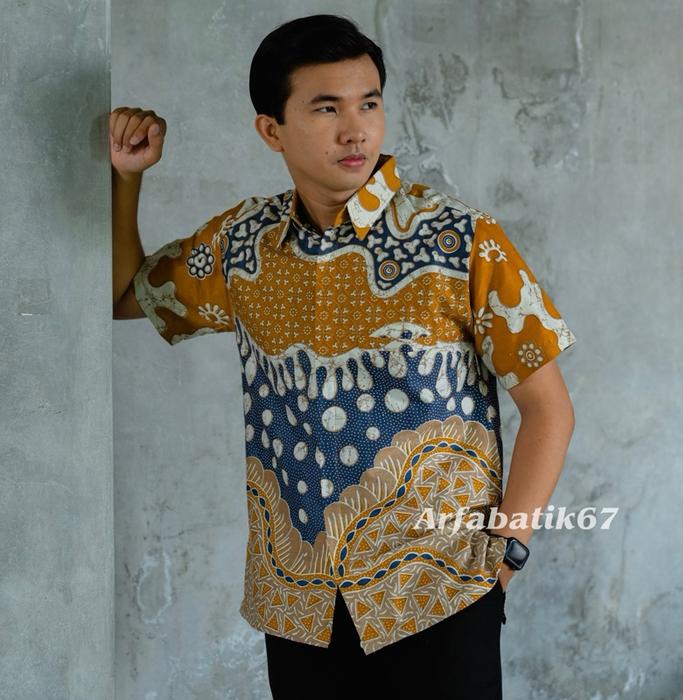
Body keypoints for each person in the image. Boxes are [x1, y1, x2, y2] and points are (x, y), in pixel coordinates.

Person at [111, 13, 576, 699]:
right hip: (299, 607)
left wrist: (505, 555)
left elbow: (549, 410)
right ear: (272, 129)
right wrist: (125, 179)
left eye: (369, 103)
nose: (355, 129)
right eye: (327, 108)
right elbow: (126, 295)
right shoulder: (242, 245)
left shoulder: (460, 241)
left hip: (440, 594)